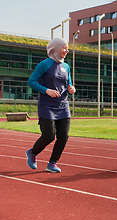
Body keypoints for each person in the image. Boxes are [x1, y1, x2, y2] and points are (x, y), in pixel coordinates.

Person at [26, 37, 76, 173]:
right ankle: (32, 153)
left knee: (63, 136)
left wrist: (72, 89)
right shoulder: (44, 64)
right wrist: (46, 90)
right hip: (47, 106)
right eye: (64, 48)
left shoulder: (66, 66)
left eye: (67, 48)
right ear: (55, 49)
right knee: (48, 135)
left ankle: (52, 162)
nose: (67, 50)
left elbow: (69, 84)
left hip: (63, 105)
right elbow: (31, 82)